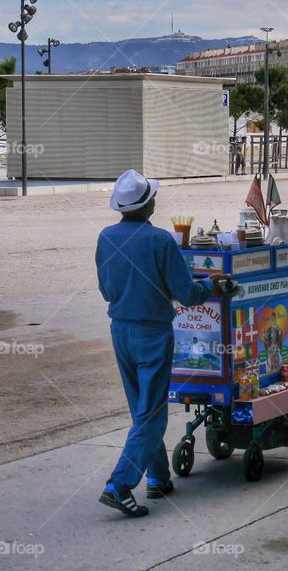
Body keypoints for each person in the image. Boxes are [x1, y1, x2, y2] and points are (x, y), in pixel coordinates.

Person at [95, 169, 225, 518]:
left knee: (141, 408)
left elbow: (106, 289)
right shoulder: (161, 240)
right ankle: (119, 486)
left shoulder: (105, 237)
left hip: (120, 331)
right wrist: (211, 284)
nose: (155, 201)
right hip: (153, 333)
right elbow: (186, 293)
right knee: (151, 415)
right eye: (152, 197)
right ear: (147, 204)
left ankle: (157, 477)